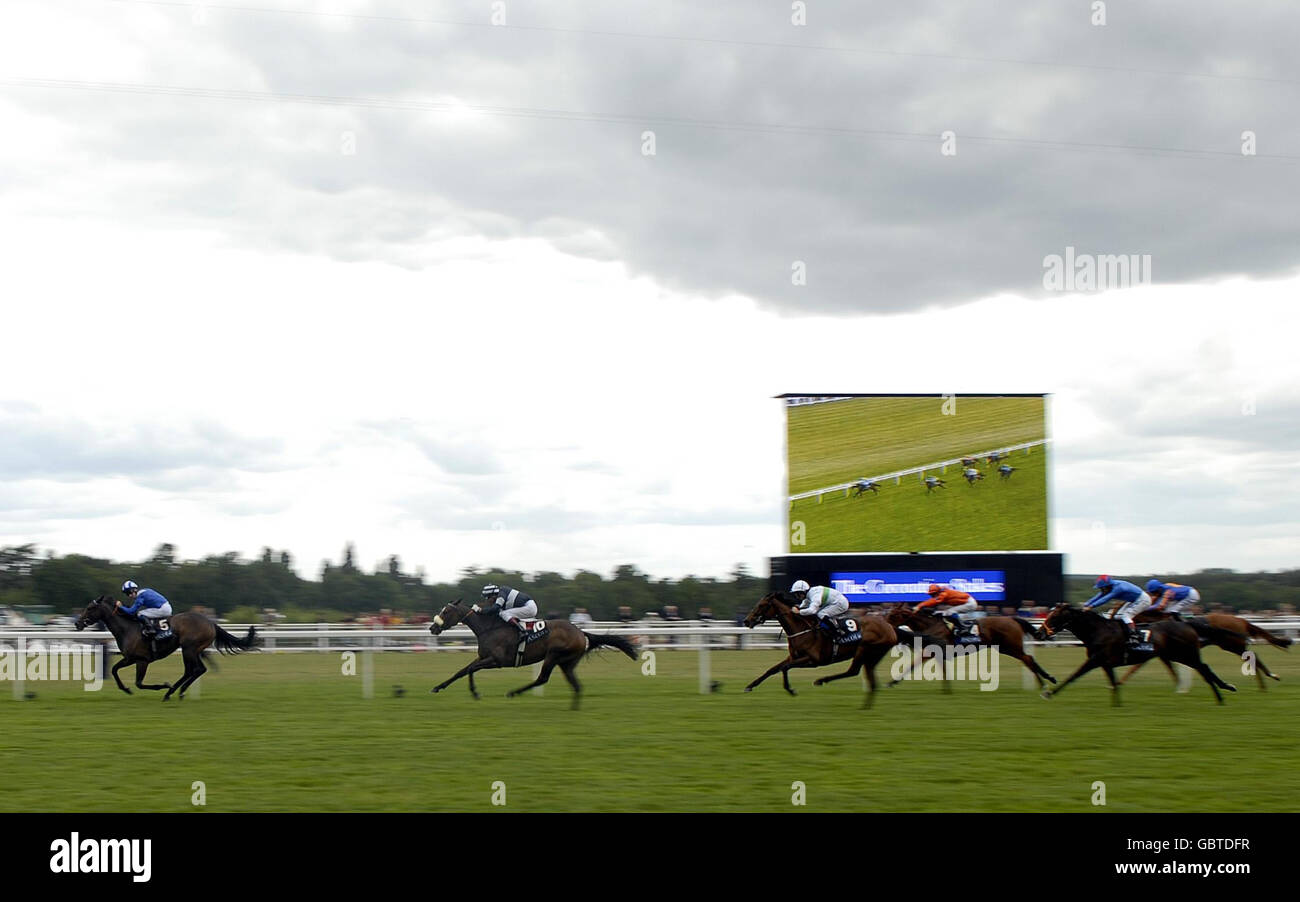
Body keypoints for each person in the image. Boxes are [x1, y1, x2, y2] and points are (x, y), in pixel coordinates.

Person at [1083, 575, 1151, 644]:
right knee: (1117, 616)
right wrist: (1086, 604)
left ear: (1107, 586)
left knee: (1125, 616)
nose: (1101, 590)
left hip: (1143, 600)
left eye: (1102, 588)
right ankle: (1123, 635)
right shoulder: (1110, 586)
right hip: (1134, 600)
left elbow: (1105, 599)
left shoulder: (1118, 588)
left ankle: (1134, 636)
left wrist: (1091, 606)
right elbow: (1099, 596)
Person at [472, 584, 537, 634]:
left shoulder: (501, 594)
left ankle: (521, 630)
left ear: (493, 595)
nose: (487, 600)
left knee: (504, 613)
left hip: (529, 607)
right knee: (502, 614)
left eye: (487, 598)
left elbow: (495, 609)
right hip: (528, 607)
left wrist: (480, 610)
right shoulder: (500, 594)